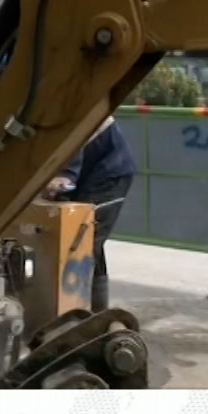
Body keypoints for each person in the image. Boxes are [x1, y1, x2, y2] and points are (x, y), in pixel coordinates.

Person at [45, 114, 137, 314]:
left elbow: (73, 130)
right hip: (91, 169)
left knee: (82, 242)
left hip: (109, 170)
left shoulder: (60, 102)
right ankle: (96, 312)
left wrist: (63, 177)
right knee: (88, 241)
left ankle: (77, 314)